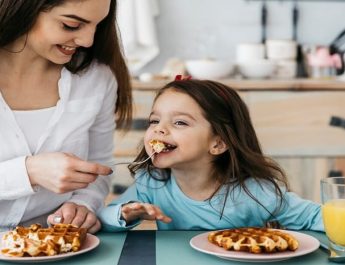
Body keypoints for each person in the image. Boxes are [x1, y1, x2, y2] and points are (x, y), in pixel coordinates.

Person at [98, 79, 323, 232]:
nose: (159, 129)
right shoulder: (152, 184)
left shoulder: (255, 193)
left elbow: (315, 217)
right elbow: (104, 220)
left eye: (179, 122)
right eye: (154, 121)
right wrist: (125, 214)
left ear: (218, 143)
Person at [0, 0, 132, 233]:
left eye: (97, 26)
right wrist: (29, 172)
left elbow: (98, 166)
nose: (87, 41)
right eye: (71, 25)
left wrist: (83, 204)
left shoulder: (96, 79)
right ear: (23, 8)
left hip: (54, 244)